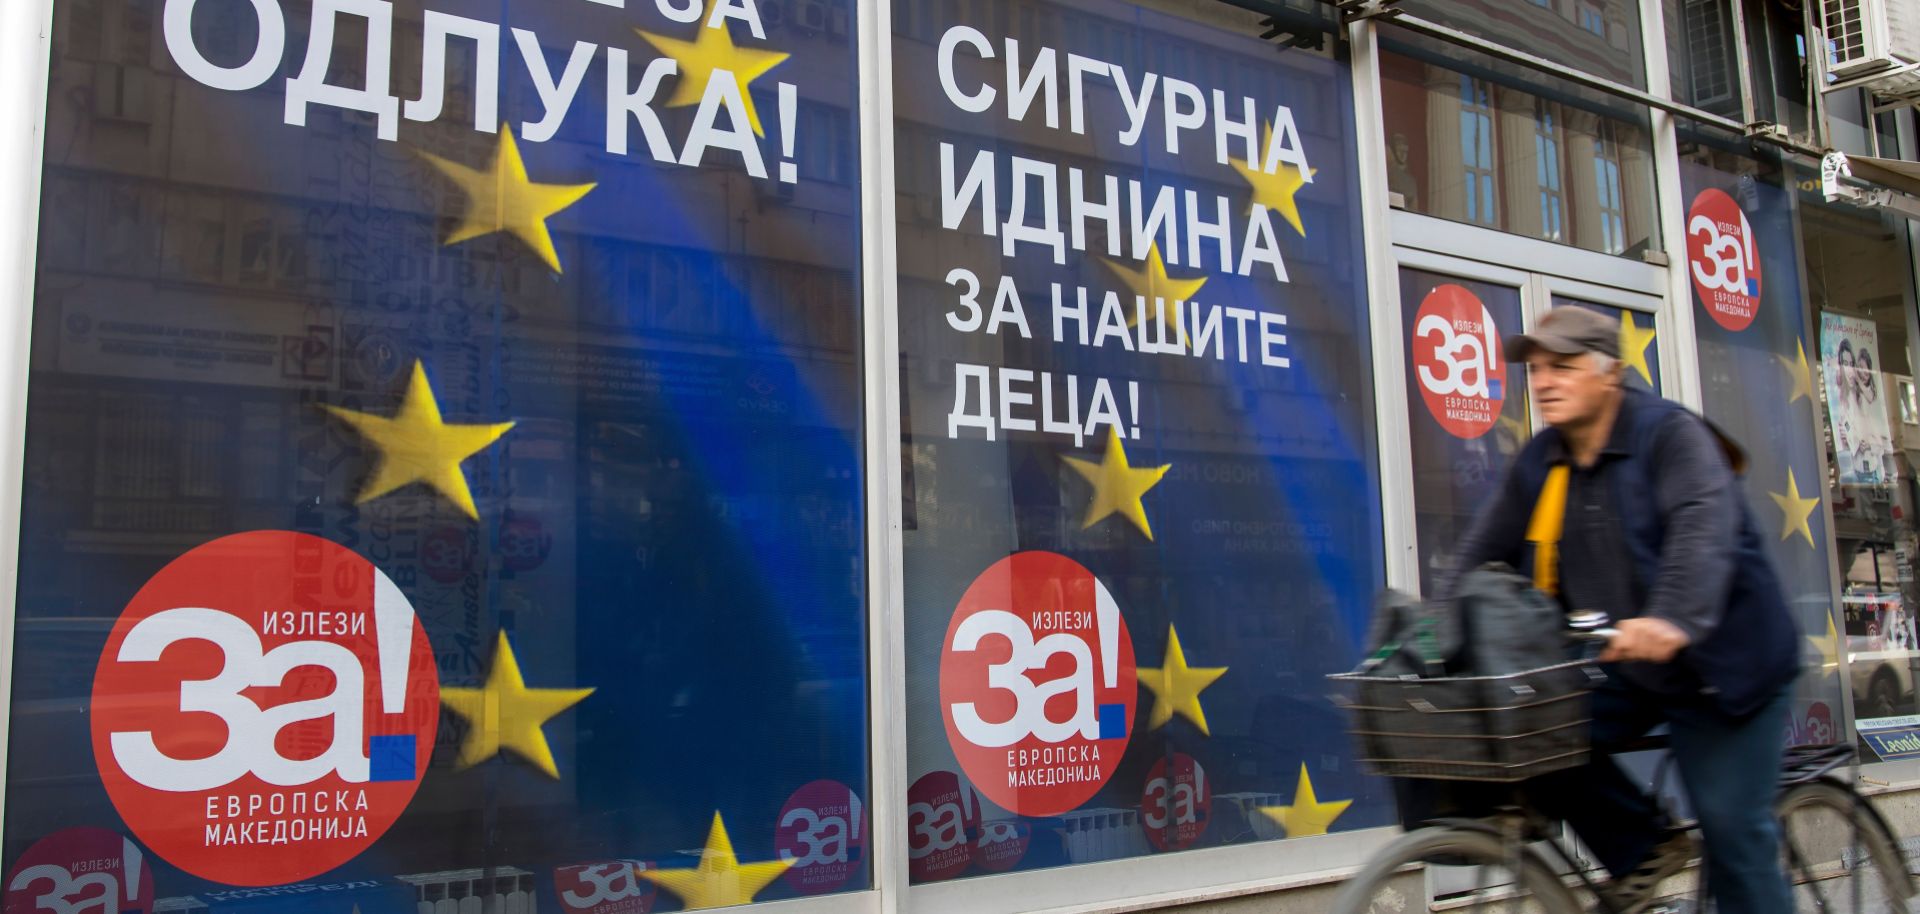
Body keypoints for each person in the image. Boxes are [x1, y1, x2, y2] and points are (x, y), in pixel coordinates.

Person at [1445, 305, 1801, 914]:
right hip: (1634, 664)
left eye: (1563, 366)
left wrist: (1673, 618)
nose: (1546, 381)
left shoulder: (1667, 435)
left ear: (1609, 373)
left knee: (1732, 834)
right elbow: (1481, 552)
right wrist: (1437, 633)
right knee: (1539, 732)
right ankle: (1644, 847)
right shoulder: (1543, 459)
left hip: (1727, 669)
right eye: (1537, 370)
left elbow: (1702, 526)